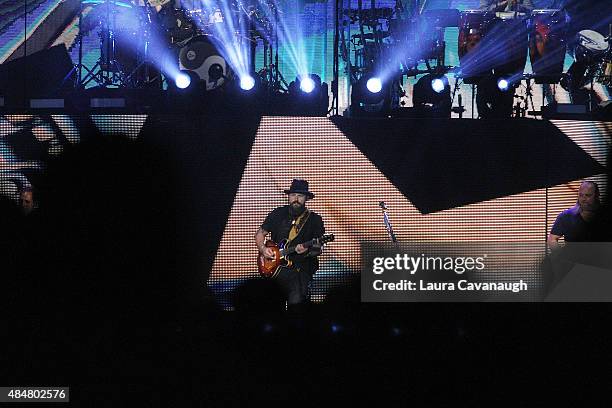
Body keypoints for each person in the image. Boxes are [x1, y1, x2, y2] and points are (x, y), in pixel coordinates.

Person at [255, 179, 325, 311]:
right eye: (293, 195)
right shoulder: (277, 213)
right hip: (275, 270)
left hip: (300, 271)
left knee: (296, 308)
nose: (296, 199)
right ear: (288, 196)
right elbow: (259, 234)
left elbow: (318, 248)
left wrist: (306, 251)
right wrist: (263, 249)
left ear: (306, 198)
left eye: (300, 196)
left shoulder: (315, 219)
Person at [547, 181, 601, 248]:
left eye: (588, 195)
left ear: (597, 196)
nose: (583, 199)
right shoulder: (566, 216)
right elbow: (552, 239)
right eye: (581, 195)